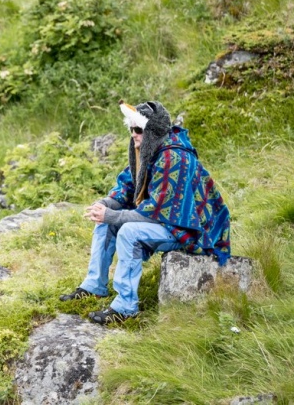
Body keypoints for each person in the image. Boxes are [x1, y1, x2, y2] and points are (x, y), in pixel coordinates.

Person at [60, 100, 232, 324]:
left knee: (128, 232)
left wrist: (112, 215)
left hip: (191, 230)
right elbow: (127, 186)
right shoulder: (147, 149)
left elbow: (155, 213)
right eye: (131, 128)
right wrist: (104, 204)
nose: (133, 134)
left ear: (154, 130)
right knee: (105, 221)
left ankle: (125, 306)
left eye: (138, 129)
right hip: (167, 221)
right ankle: (94, 286)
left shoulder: (175, 158)